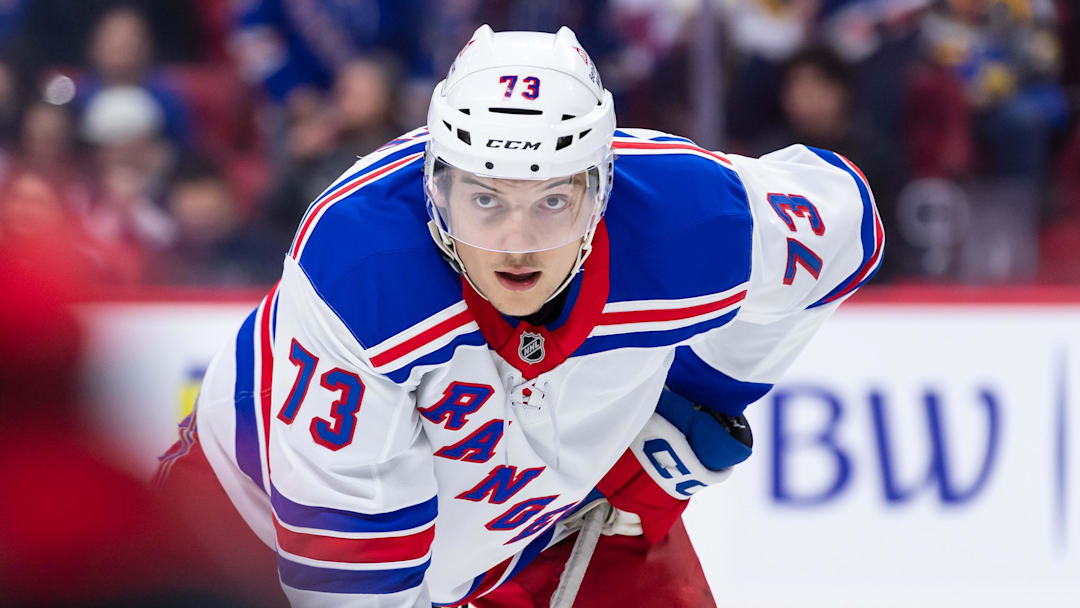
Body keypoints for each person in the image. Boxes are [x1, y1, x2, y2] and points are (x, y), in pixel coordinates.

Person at [159, 25, 883, 607]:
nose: (516, 243)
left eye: (552, 201)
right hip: (243, 547)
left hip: (552, 530)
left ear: (601, 191)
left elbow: (844, 227)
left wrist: (691, 407)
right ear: (438, 189)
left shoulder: (687, 220)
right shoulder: (362, 276)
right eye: (486, 199)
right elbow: (349, 583)